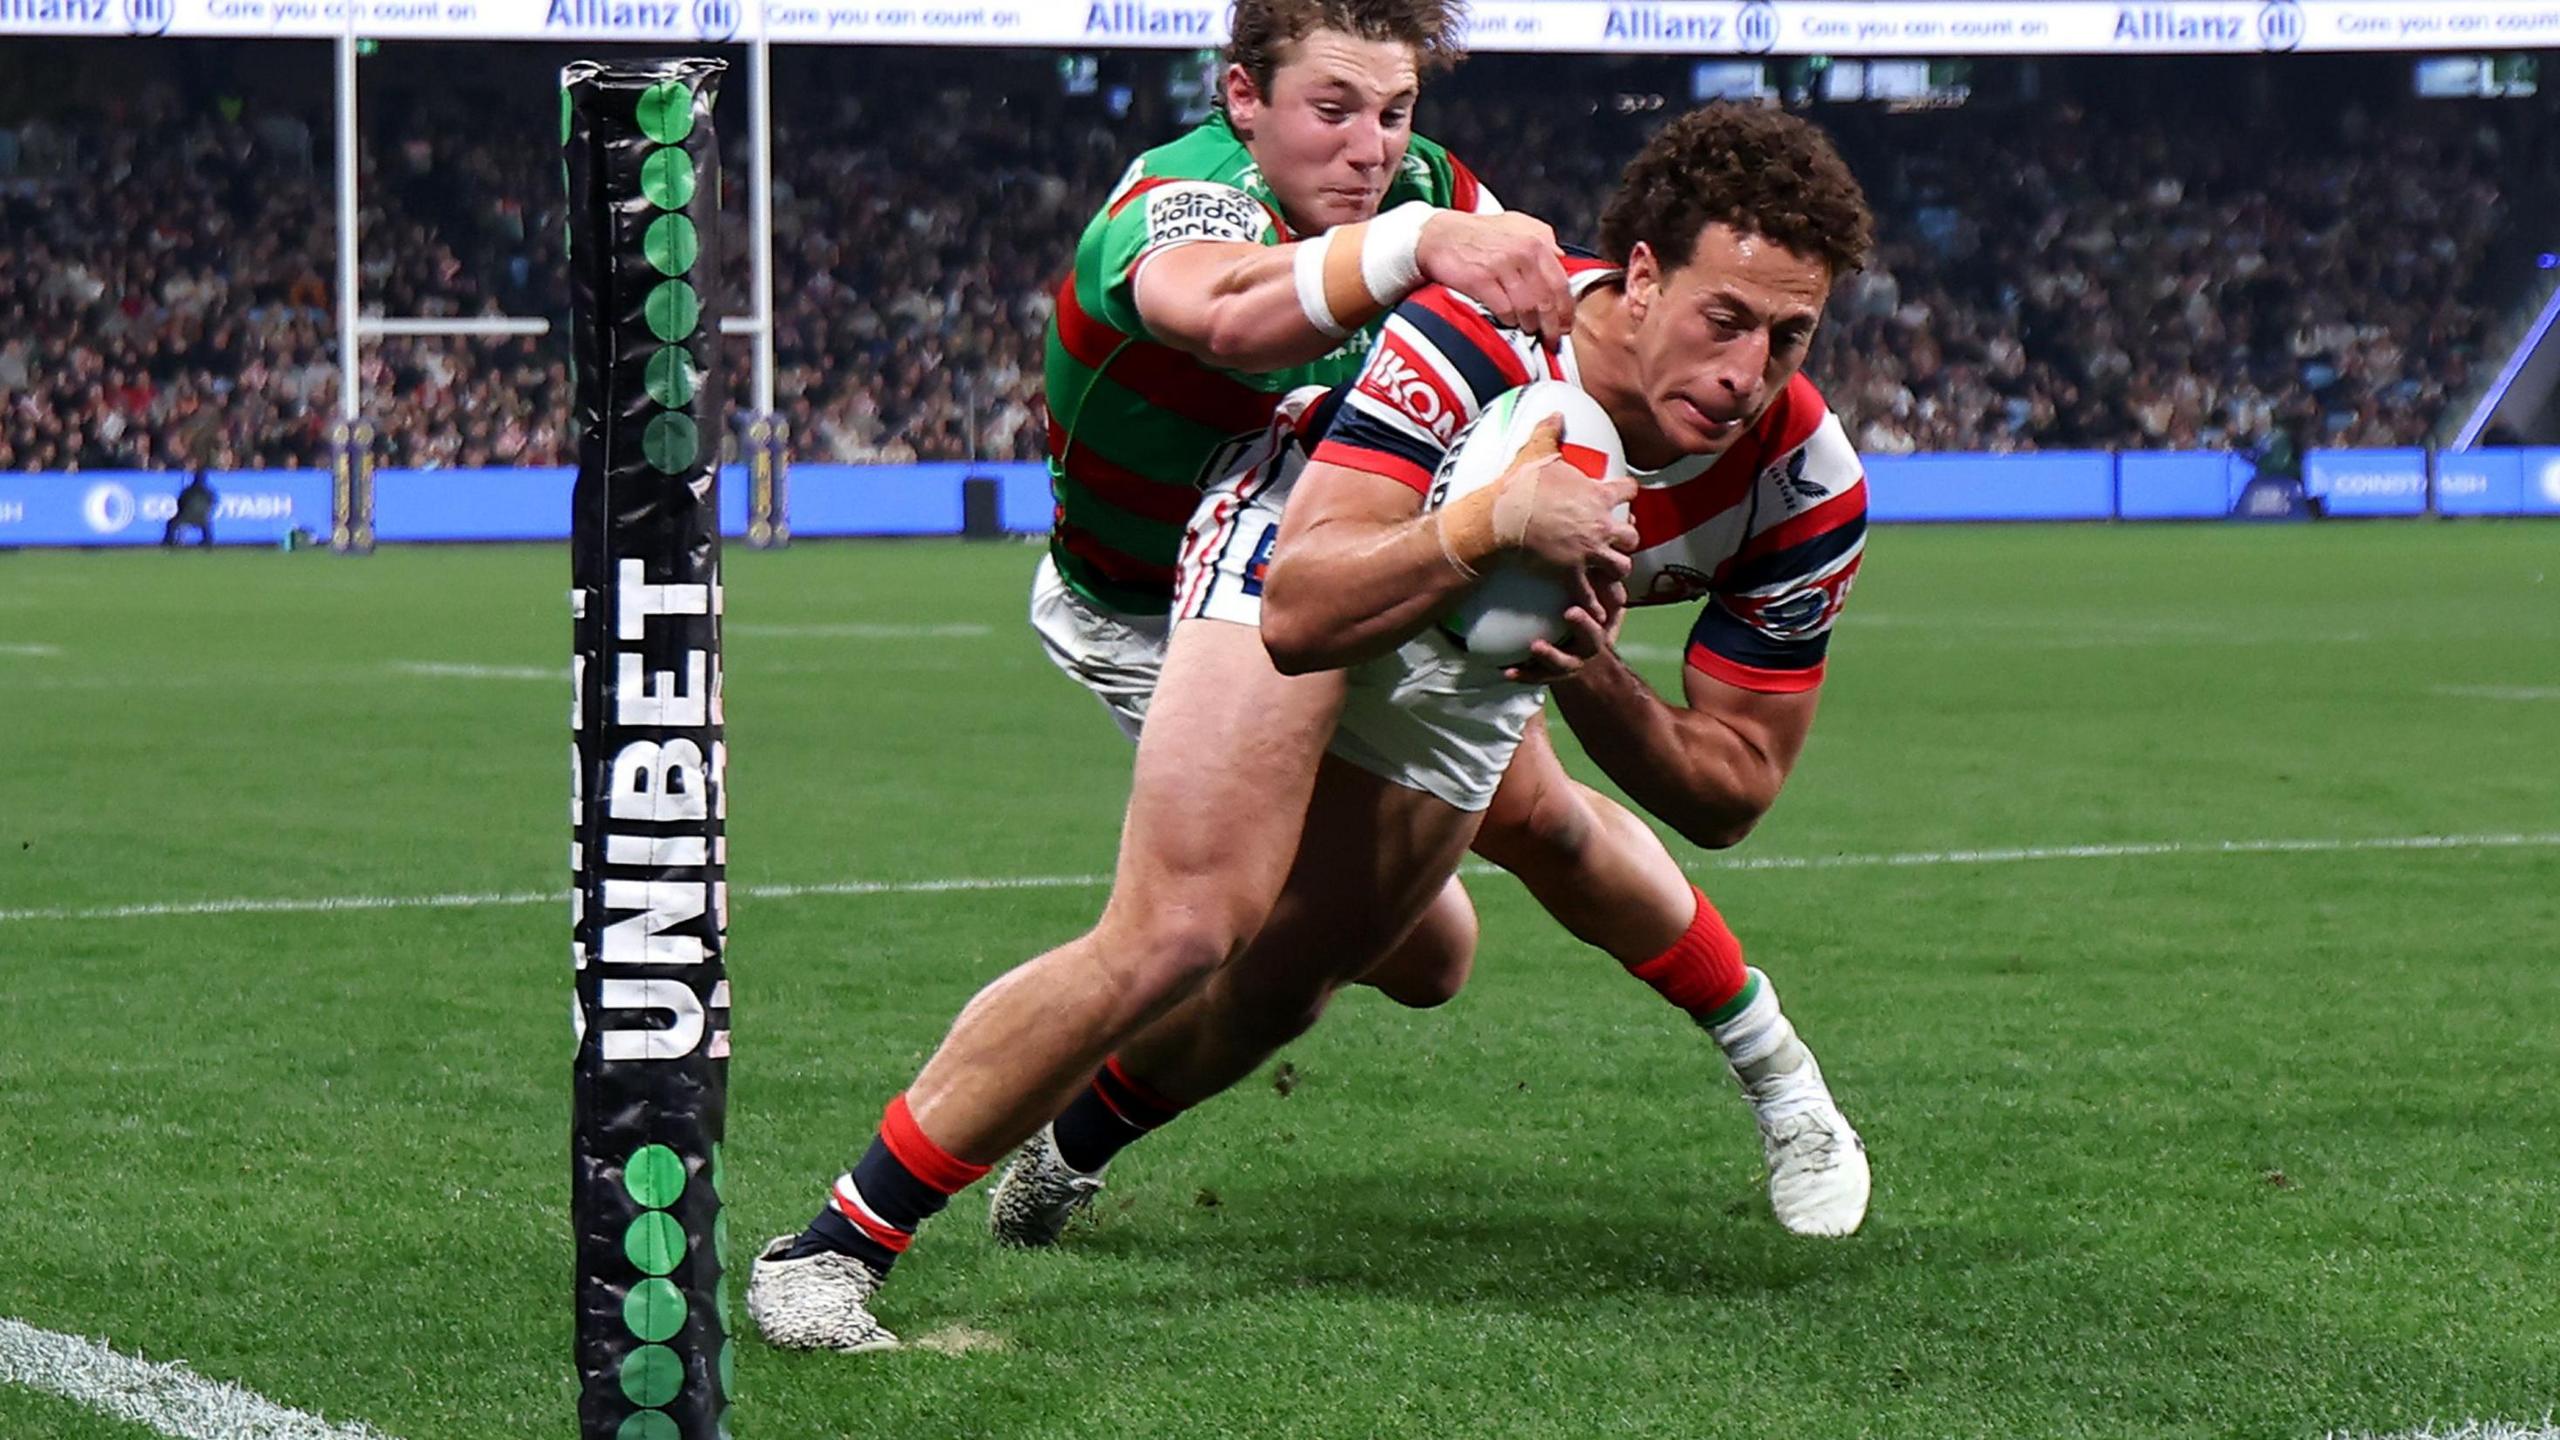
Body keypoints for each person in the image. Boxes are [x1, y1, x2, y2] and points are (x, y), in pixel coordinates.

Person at [746, 100, 1873, 1354]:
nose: (1747, 370)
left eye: (1788, 336)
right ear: (1644, 276)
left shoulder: (1804, 486)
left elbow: (1730, 792)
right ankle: (833, 1248)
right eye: (1725, 319)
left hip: (1477, 659)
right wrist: (1497, 524)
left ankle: (1072, 1149)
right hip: (1308, 533)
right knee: (1185, 923)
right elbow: (1303, 605)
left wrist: (1589, 663)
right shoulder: (1492, 329)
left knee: (1302, 980)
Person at [162, 469, 216, 547]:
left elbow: (180, 502)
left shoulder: (188, 490)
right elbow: (212, 503)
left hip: (186, 517)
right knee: (207, 524)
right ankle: (208, 541)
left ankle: (169, 541)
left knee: (171, 523)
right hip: (201, 518)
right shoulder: (208, 492)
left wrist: (182, 512)